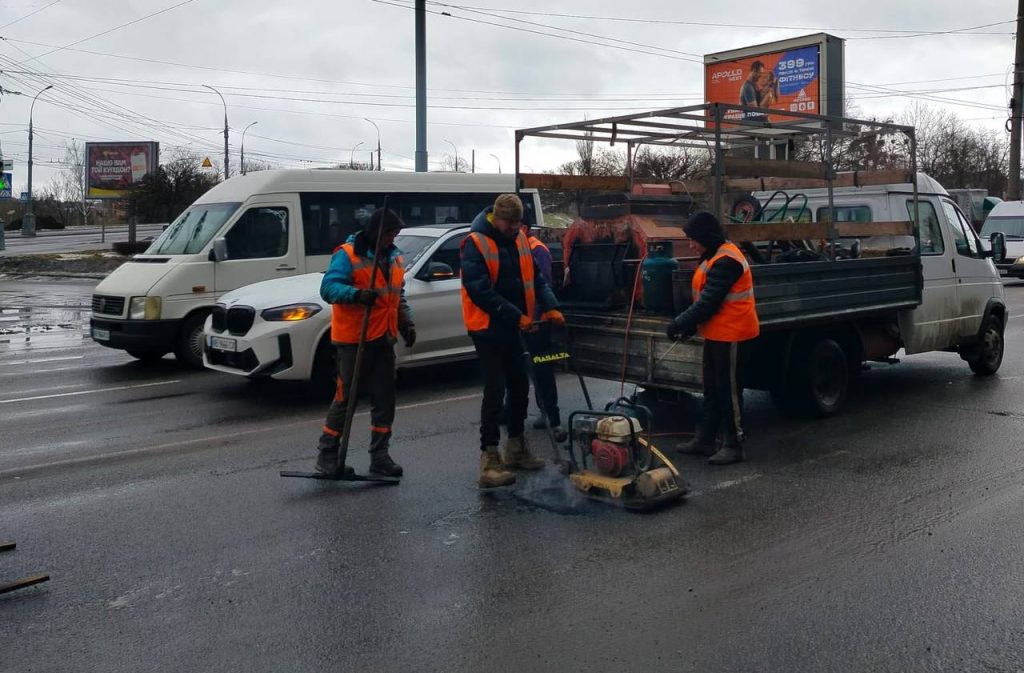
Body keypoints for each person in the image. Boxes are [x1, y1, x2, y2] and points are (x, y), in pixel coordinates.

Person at [461, 194, 563, 489]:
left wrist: (551, 305)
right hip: (487, 328)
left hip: (515, 326)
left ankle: (516, 447)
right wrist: (515, 314)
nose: (515, 228)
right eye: (510, 223)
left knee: (519, 386)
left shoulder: (519, 240)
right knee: (495, 389)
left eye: (519, 223)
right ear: (497, 217)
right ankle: (489, 458)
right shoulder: (476, 243)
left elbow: (537, 280)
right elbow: (478, 289)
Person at [312, 208, 415, 477]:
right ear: (376, 232)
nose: (394, 238)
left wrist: (407, 322)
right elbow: (328, 288)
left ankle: (380, 456)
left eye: (397, 234)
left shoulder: (394, 258)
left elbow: (396, 295)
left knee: (385, 399)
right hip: (354, 339)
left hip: (384, 337)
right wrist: (357, 295)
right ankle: (328, 454)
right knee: (346, 398)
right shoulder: (347, 254)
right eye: (391, 233)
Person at [666, 212, 759, 465]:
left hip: (733, 335)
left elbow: (710, 301)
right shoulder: (712, 256)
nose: (690, 244)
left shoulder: (727, 259)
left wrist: (681, 322)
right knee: (712, 388)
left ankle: (734, 444)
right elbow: (704, 299)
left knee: (728, 391)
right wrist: (691, 325)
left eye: (693, 239)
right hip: (717, 333)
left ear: (706, 237)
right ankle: (705, 438)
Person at [523, 221, 567, 442]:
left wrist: (539, 316)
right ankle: (542, 410)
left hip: (538, 322)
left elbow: (543, 284)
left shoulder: (536, 248)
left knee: (542, 369)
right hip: (523, 322)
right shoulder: (517, 246)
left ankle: (551, 414)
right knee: (530, 370)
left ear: (524, 226)